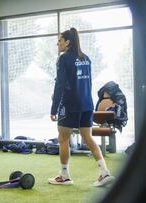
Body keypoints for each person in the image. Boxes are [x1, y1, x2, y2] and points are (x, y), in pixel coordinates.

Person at [48, 27, 115, 187]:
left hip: (70, 104)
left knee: (63, 139)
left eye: (60, 40)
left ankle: (64, 176)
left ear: (68, 42)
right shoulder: (86, 58)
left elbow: (60, 85)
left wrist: (53, 108)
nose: (58, 43)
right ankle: (104, 172)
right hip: (87, 104)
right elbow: (88, 83)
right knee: (88, 137)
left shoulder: (63, 58)